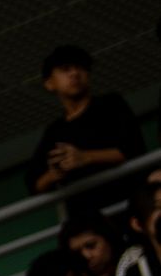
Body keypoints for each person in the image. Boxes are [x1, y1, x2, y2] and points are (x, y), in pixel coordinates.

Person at [28, 43, 149, 218]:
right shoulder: (55, 131)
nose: (74, 73)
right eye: (65, 69)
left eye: (81, 67)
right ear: (49, 83)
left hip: (131, 207)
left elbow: (134, 149)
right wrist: (54, 174)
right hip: (90, 219)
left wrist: (85, 157)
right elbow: (33, 183)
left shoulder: (111, 104)